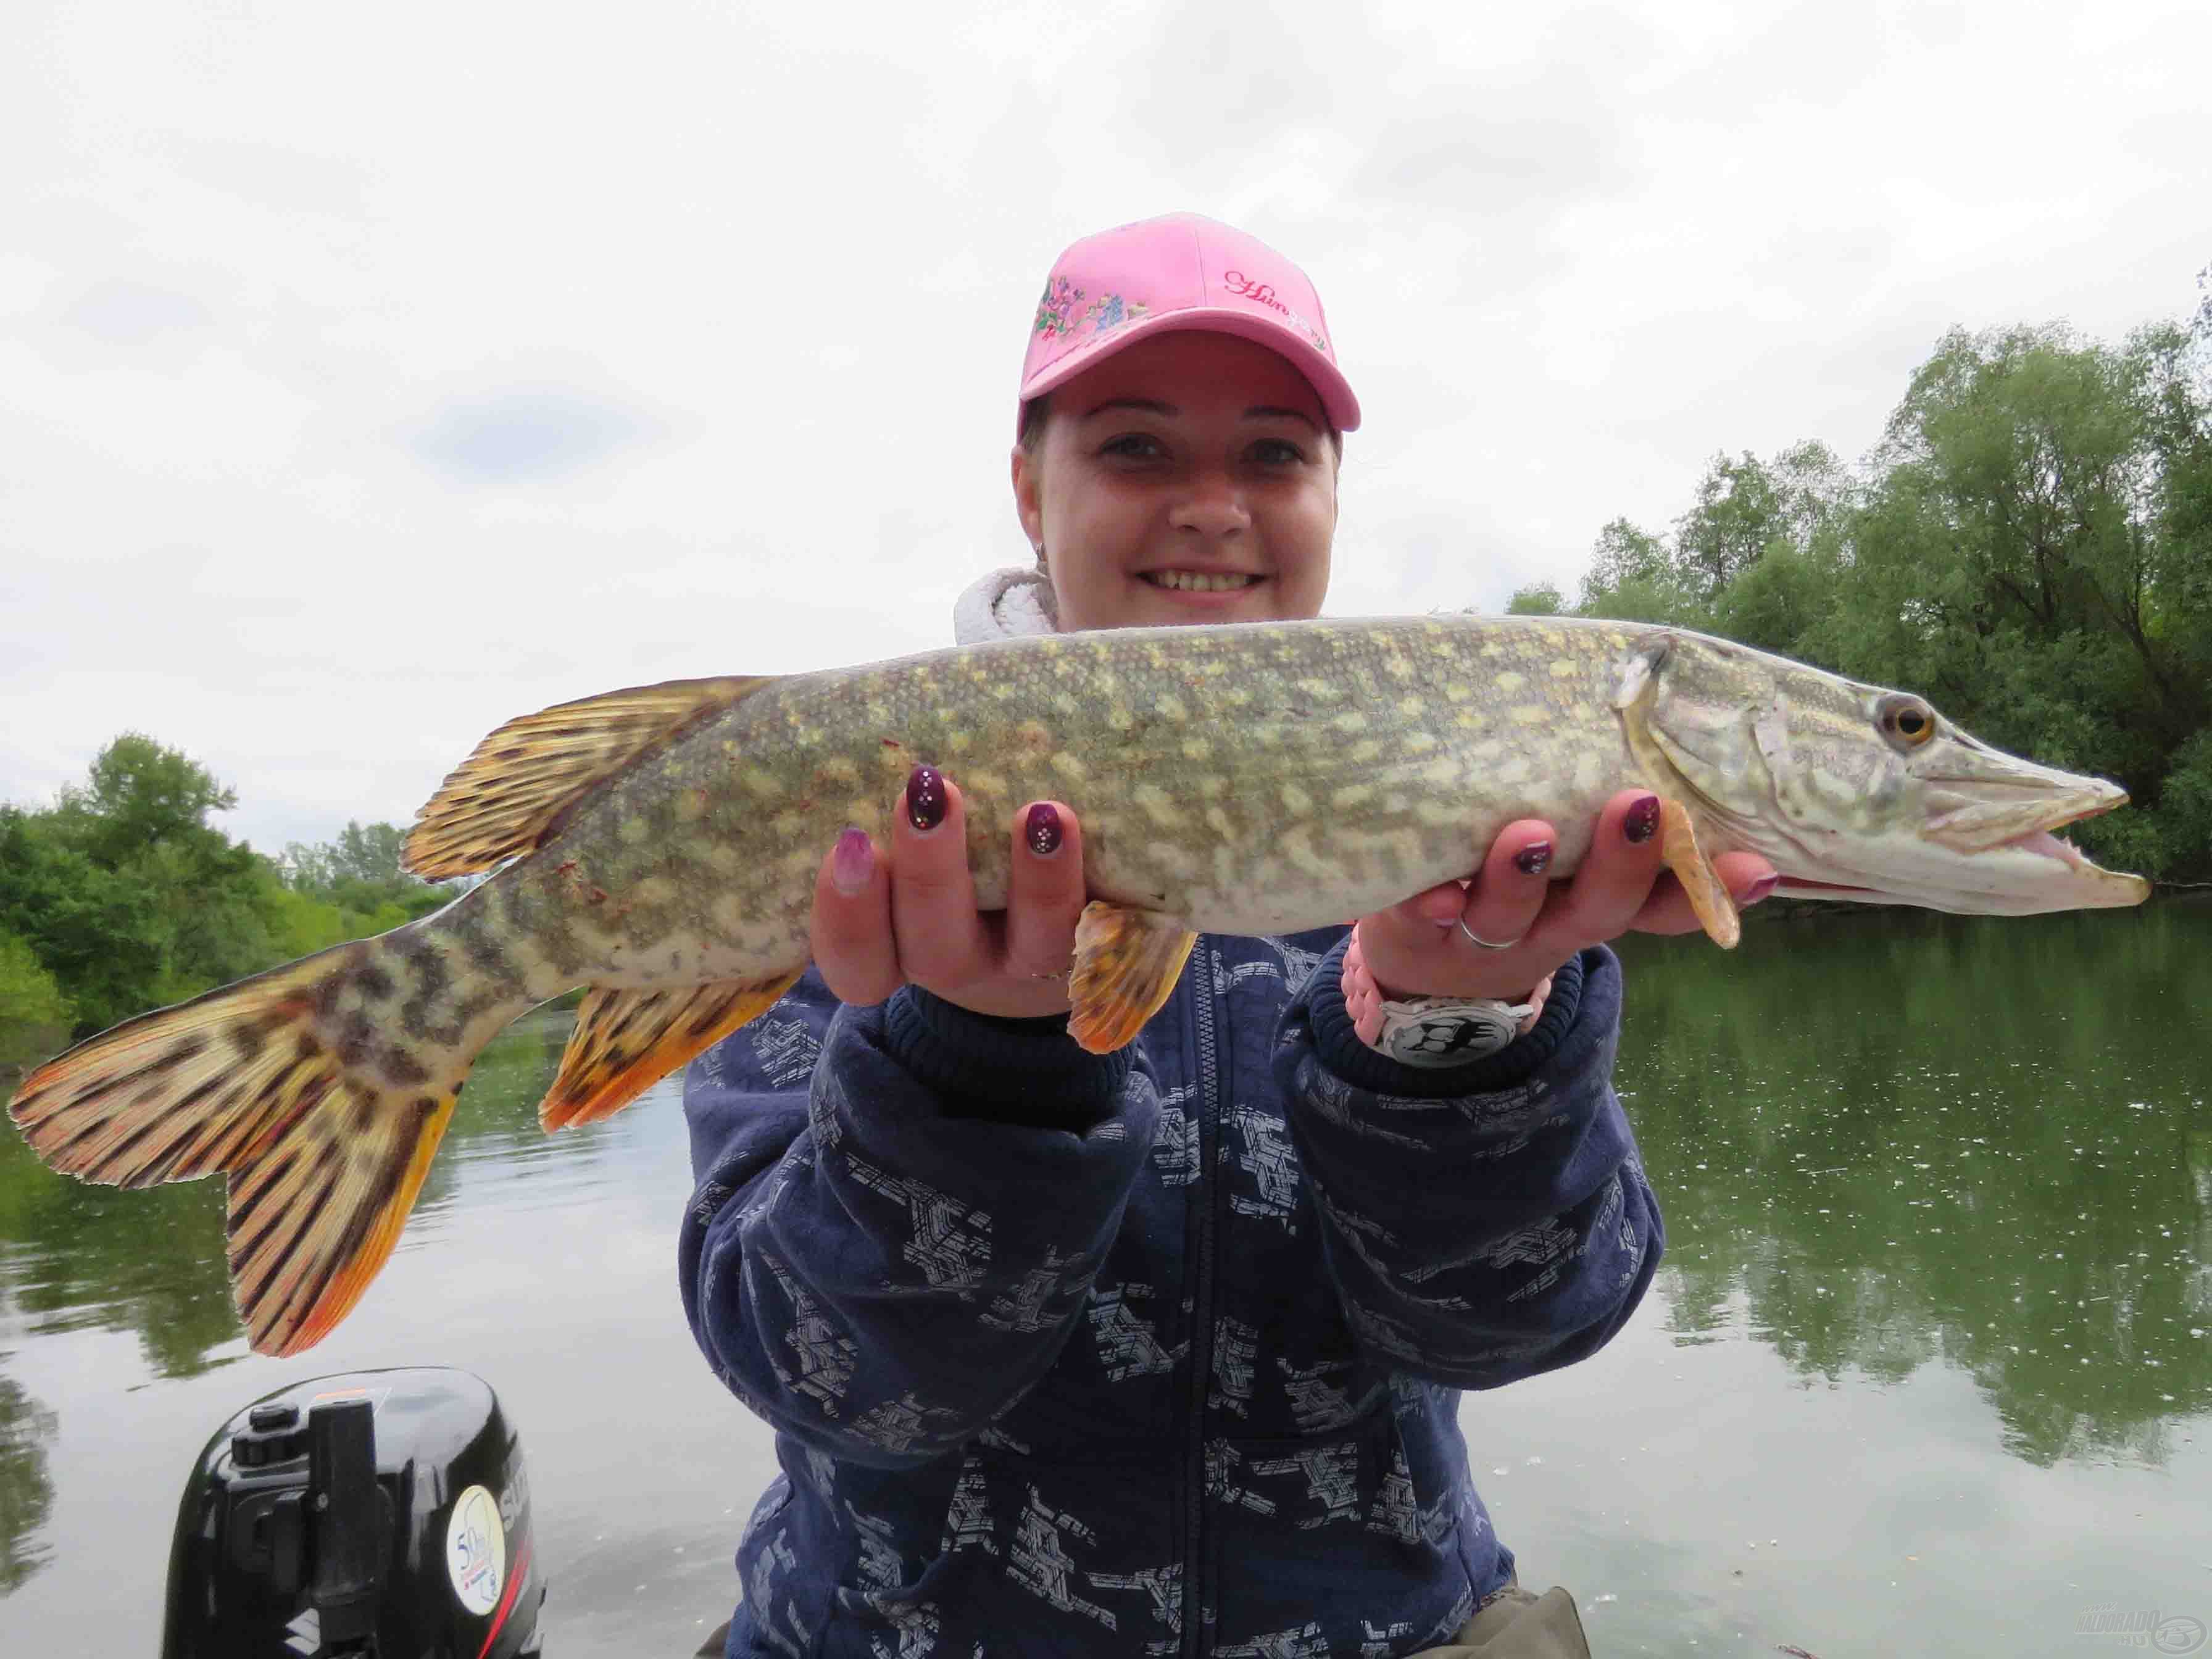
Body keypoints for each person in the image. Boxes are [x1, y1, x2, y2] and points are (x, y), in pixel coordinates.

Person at [679, 213, 1777, 1658]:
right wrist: (968, 1066)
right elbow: (822, 1376)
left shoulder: (1465, 854)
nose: (1213, 506)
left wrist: (1453, 1037)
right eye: (1136, 448)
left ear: (1332, 490)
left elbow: (1514, 1332)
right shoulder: (888, 832)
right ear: (1027, 489)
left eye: (1274, 454)